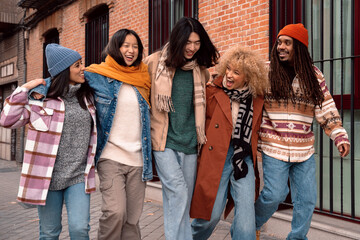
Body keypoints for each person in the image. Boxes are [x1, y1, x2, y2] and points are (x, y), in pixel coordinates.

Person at [30, 29, 152, 240]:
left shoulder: (144, 77)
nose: (131, 51)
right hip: (111, 156)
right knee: (115, 212)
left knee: (132, 220)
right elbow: (62, 77)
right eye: (126, 45)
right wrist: (38, 89)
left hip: (140, 159)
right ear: (115, 47)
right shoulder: (97, 75)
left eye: (135, 46)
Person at [255, 23, 350, 240]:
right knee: (274, 195)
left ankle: (297, 238)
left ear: (299, 47)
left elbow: (326, 107)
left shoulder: (314, 76)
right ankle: (249, 225)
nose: (281, 47)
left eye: (287, 43)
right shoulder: (265, 71)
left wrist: (339, 135)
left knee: (307, 199)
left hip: (304, 150)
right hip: (273, 146)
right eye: (279, 42)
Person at [0, 44, 97, 239]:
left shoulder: (87, 96)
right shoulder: (40, 99)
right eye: (77, 65)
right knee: (49, 233)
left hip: (78, 176)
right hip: (47, 178)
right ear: (63, 70)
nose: (82, 69)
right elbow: (6, 120)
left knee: (80, 229)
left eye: (81, 64)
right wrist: (25, 88)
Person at [144, 17, 219, 240]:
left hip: (190, 142)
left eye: (197, 43)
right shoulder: (154, 62)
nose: (192, 47)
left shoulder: (200, 71)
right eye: (188, 42)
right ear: (178, 40)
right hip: (163, 140)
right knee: (178, 192)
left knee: (180, 198)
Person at [190, 46, 269, 240]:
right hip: (216, 157)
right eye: (228, 69)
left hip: (243, 159)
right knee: (211, 215)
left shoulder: (257, 98)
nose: (229, 75)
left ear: (248, 77)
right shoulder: (212, 92)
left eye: (236, 72)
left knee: (245, 223)